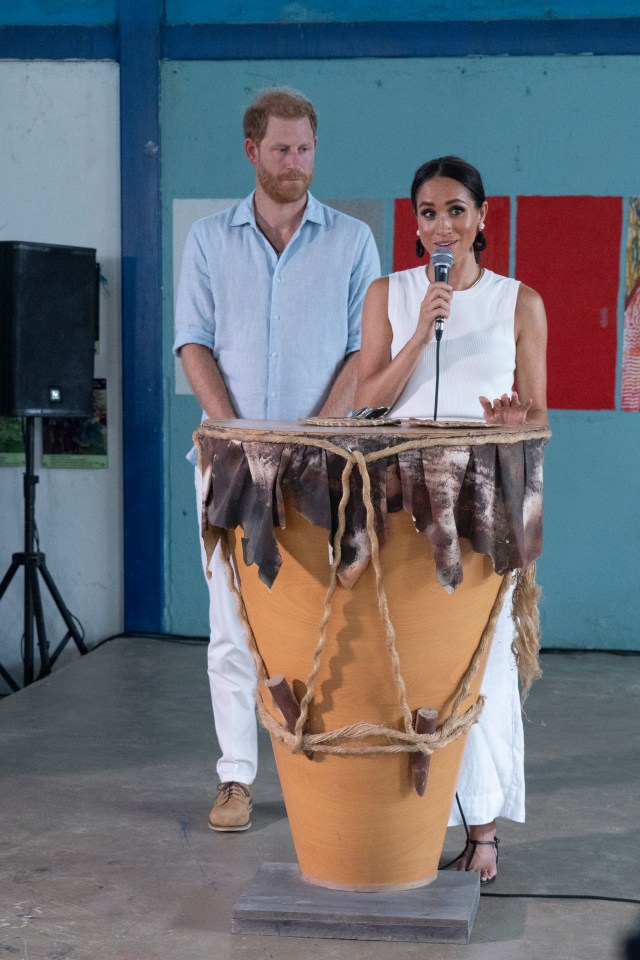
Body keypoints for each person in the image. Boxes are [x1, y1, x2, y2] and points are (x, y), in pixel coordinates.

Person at [173, 87, 380, 833]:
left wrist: (311, 437)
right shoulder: (207, 240)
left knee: (325, 622)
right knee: (231, 623)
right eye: (281, 149)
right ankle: (236, 779)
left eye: (306, 150)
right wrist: (237, 436)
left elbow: (366, 349)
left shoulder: (354, 241)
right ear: (251, 151)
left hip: (321, 465)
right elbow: (192, 341)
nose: (295, 164)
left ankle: (313, 767)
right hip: (227, 462)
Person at [355, 155, 548, 883]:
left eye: (457, 211)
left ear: (483, 218)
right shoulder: (390, 294)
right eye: (430, 212)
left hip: (487, 499)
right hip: (399, 498)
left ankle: (485, 831)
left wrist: (511, 426)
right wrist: (417, 334)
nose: (444, 224)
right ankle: (407, 820)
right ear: (415, 224)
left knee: (484, 662)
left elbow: (538, 419)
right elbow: (368, 398)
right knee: (406, 661)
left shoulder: (519, 301)